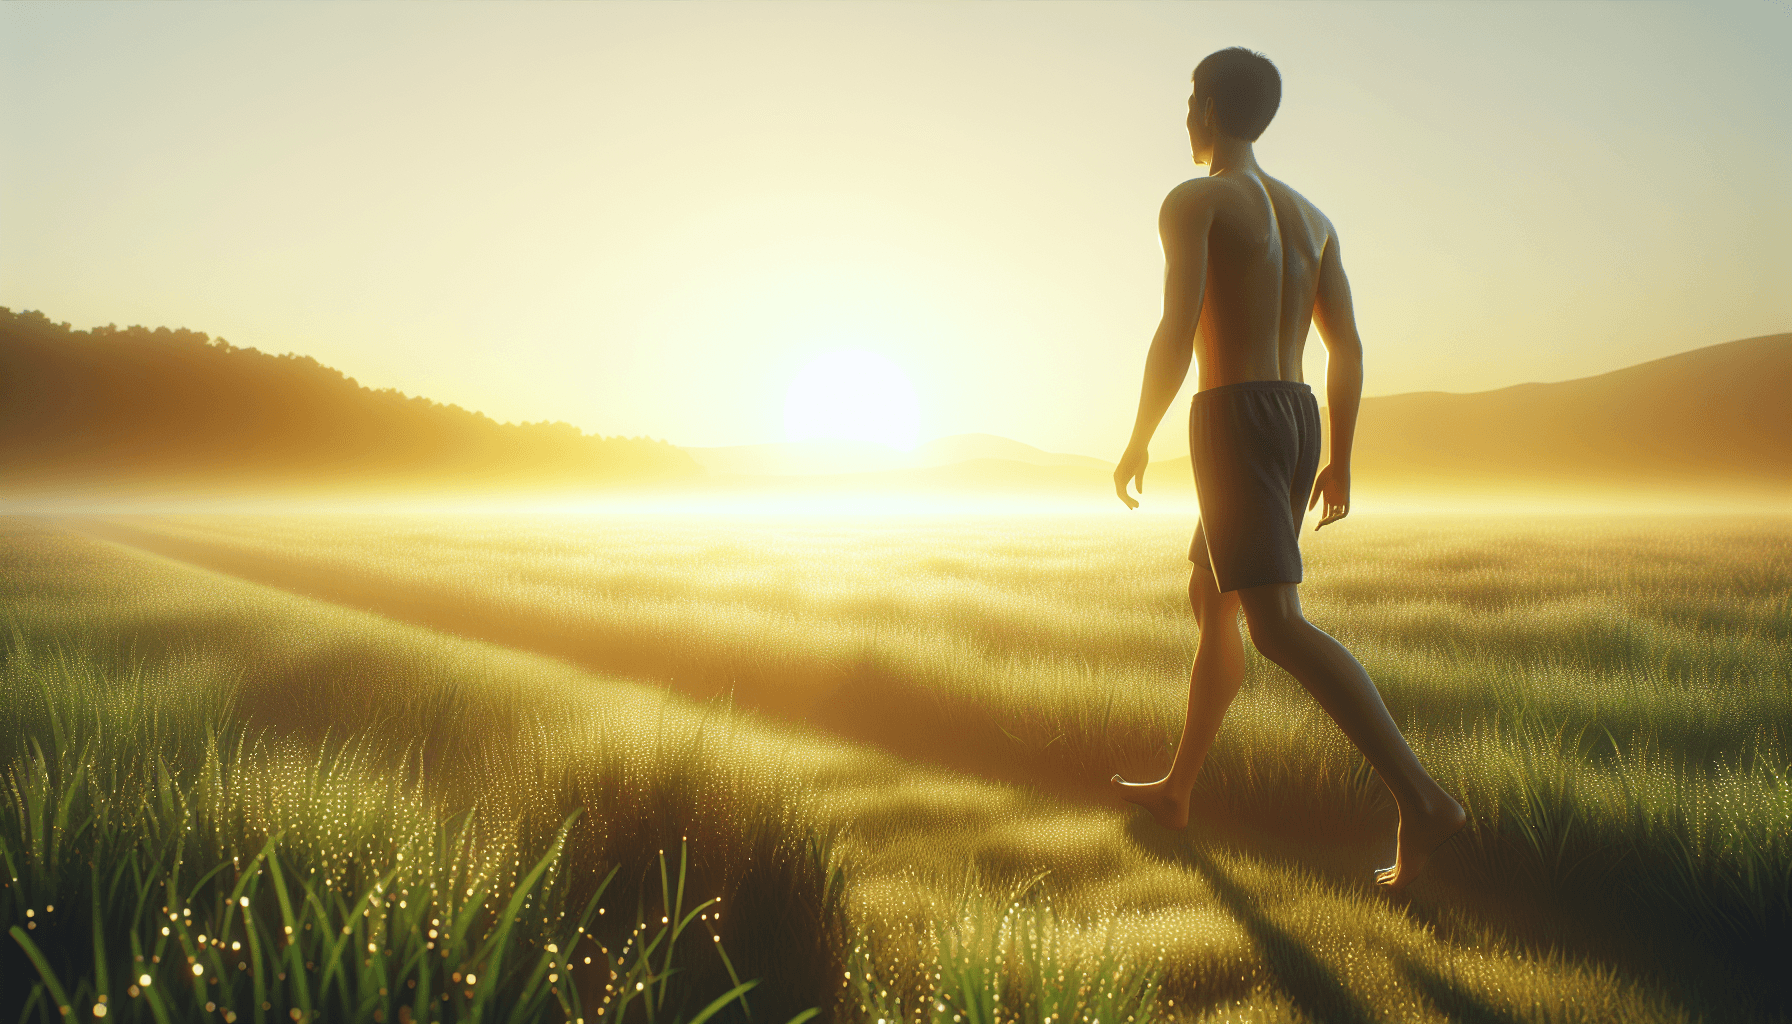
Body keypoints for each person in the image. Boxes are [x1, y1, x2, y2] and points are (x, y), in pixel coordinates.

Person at [1109, 47, 1464, 892]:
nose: (1185, 116)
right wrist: (1339, 455)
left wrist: (1136, 436)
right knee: (1212, 595)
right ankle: (1179, 789)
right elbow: (1348, 350)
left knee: (1274, 625)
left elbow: (1175, 327)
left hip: (1231, 417)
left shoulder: (1194, 200)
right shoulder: (1314, 219)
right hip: (1296, 413)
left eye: (1189, 101)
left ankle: (1423, 800)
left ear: (1205, 110)